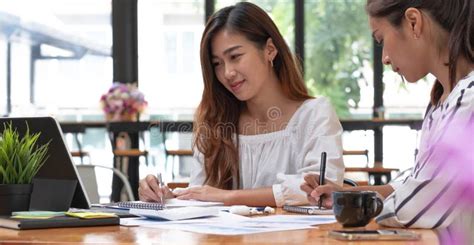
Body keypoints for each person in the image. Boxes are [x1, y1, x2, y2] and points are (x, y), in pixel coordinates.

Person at [139, 2, 345, 207]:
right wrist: (165, 198)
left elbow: (320, 188)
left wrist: (229, 197)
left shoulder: (315, 114)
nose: (227, 73)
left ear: (270, 50)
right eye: (217, 64)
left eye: (235, 57)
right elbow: (202, 196)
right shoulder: (216, 121)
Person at [301, 0, 473, 237]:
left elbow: (414, 207)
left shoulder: (469, 99)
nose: (385, 59)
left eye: (380, 40)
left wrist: (358, 206)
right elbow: (419, 181)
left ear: (414, 22)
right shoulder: (443, 101)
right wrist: (350, 195)